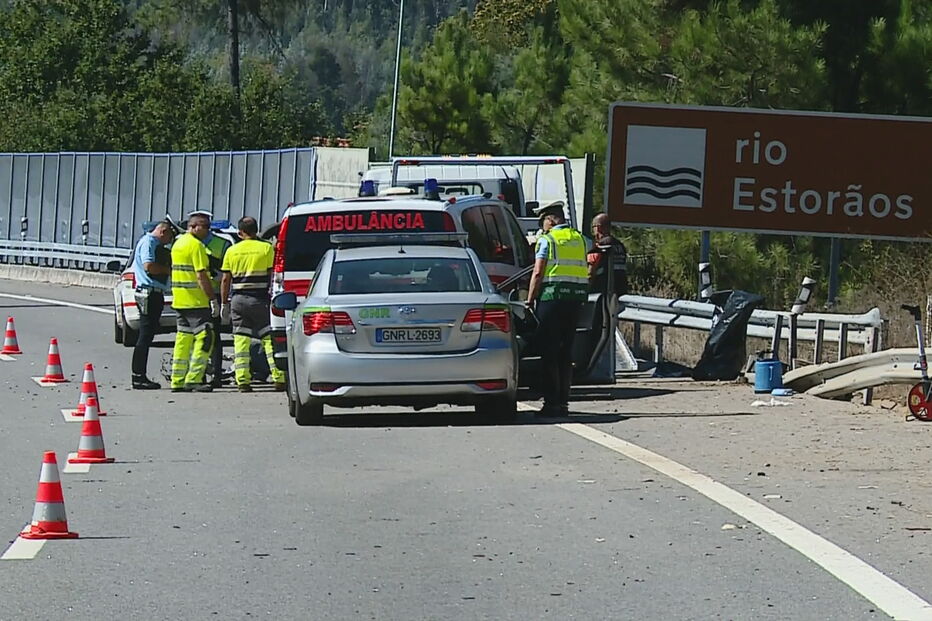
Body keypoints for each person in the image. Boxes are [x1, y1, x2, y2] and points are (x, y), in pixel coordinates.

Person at [525, 201, 588, 416]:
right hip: (575, 301)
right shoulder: (579, 239)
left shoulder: (547, 240)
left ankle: (551, 403)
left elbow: (537, 272)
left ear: (550, 219)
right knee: (565, 353)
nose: (542, 226)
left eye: (542, 221)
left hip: (551, 300)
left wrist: (530, 299)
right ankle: (563, 402)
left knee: (549, 353)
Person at [219, 216, 286, 393]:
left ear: (240, 232)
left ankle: (243, 381)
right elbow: (274, 275)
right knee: (268, 340)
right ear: (256, 230)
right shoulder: (266, 249)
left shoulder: (232, 251)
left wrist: (224, 303)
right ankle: (279, 378)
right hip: (260, 300)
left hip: (238, 300)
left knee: (240, 342)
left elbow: (226, 279)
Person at [169, 213, 218, 393]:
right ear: (195, 226)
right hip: (196, 301)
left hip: (180, 300)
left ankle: (177, 379)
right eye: (206, 227)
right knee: (205, 338)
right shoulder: (196, 246)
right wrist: (212, 298)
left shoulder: (178, 243)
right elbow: (201, 275)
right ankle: (194, 378)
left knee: (183, 340)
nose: (208, 231)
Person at [190, 210, 233, 388]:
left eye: (195, 226)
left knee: (213, 337)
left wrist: (222, 301)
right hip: (193, 295)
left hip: (213, 294)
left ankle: (215, 374)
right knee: (196, 338)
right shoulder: (186, 244)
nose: (191, 230)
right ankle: (197, 375)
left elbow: (226, 274)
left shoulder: (222, 244)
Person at [131, 221, 175, 389]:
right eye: (169, 237)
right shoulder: (149, 242)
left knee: (147, 335)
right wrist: (168, 270)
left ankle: (139, 375)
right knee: (145, 335)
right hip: (149, 292)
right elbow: (149, 266)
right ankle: (138, 376)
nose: (168, 242)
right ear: (163, 232)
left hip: (152, 292)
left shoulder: (150, 242)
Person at [587, 213, 628, 296]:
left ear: (598, 228)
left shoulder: (600, 246)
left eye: (593, 228)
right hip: (621, 292)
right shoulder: (620, 245)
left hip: (602, 293)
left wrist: (586, 290)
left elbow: (591, 272)